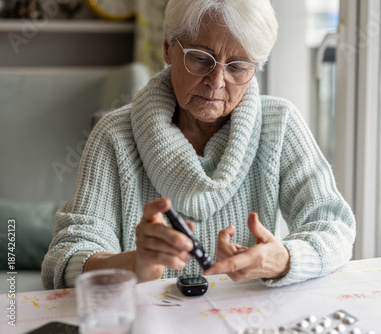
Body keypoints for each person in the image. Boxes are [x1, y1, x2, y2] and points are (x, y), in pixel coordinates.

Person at [41, 0, 356, 289]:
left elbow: (334, 224)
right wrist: (134, 264)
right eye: (201, 59)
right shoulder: (115, 135)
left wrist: (282, 258)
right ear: (168, 48)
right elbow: (62, 258)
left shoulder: (280, 123)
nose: (217, 81)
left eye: (237, 66)